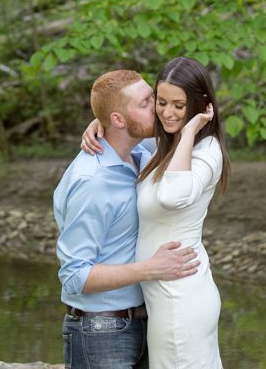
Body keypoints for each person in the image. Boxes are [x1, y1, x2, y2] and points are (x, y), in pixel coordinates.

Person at [81, 57, 230, 369]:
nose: (168, 112)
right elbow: (128, 138)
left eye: (179, 105)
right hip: (163, 297)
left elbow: (172, 195)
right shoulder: (167, 145)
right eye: (161, 102)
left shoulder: (206, 150)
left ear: (201, 105)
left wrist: (191, 131)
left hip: (180, 300)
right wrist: (103, 123)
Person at [54, 69, 201, 369]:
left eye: (154, 99)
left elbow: (177, 126)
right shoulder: (93, 181)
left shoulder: (139, 154)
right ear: (119, 120)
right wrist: (152, 268)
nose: (159, 108)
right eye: (147, 103)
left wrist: (103, 121)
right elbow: (74, 277)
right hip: (100, 334)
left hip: (141, 324)